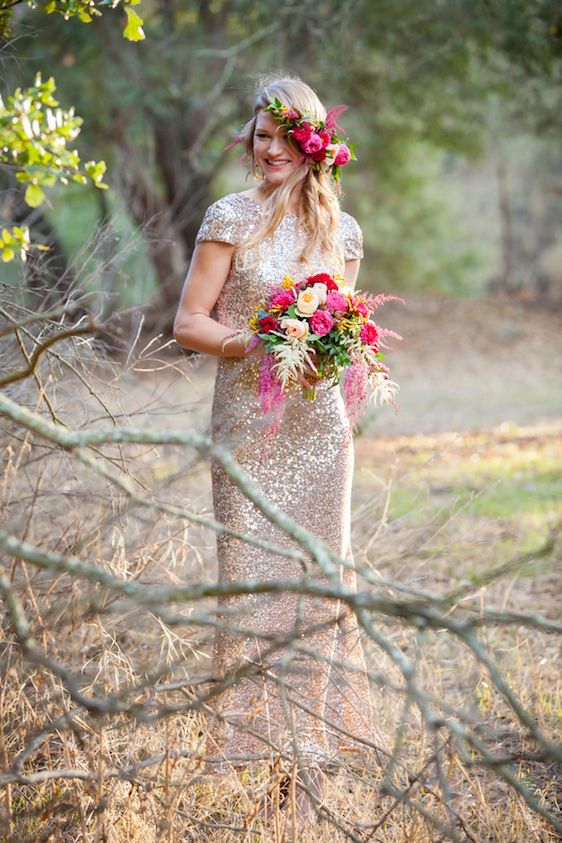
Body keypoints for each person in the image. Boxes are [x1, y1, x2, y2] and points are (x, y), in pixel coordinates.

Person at [173, 73, 377, 811]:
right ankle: (252, 752)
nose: (269, 149)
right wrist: (253, 343)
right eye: (260, 135)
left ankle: (310, 752)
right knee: (256, 582)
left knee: (321, 585)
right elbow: (189, 322)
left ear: (311, 143)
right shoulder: (229, 216)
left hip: (321, 428)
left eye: (284, 137)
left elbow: (345, 330)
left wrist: (333, 344)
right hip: (248, 426)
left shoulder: (341, 232)